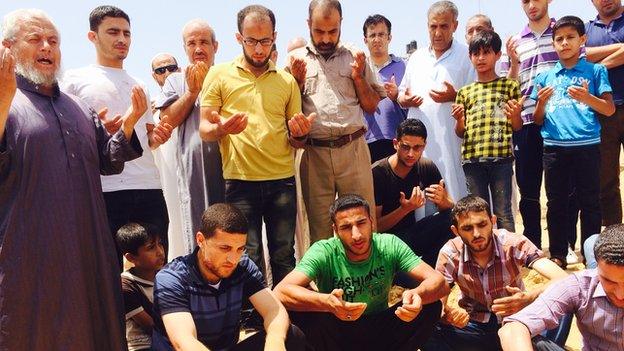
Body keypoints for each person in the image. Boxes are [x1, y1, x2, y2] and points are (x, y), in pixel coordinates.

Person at [0, 9, 143, 350]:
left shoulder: (78, 106)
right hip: (31, 252)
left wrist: (129, 123)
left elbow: (108, 160)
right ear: (8, 48)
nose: (47, 47)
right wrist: (4, 97)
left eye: (54, 41)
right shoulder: (7, 104)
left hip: (89, 245)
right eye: (35, 39)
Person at [199, 5, 312, 285]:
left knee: (284, 253)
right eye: (251, 41)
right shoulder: (219, 75)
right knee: (245, 255)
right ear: (239, 38)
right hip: (239, 181)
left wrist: (300, 134)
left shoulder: (287, 81)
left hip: (281, 180)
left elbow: (295, 138)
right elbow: (204, 129)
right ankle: (253, 317)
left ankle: (290, 313)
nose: (259, 49)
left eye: (265, 41)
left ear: (274, 37)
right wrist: (221, 128)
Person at [62, 5, 172, 263]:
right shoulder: (74, 80)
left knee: (158, 267)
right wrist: (95, 130)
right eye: (113, 32)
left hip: (148, 186)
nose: (122, 39)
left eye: (127, 33)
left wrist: (158, 138)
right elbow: (67, 137)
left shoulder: (139, 83)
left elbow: (147, 140)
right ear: (93, 36)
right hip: (105, 189)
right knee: (107, 267)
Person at [274, 194, 449, 351]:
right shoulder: (324, 251)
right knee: (301, 312)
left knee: (430, 305)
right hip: (338, 331)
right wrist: (326, 302)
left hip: (381, 327)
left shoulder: (388, 244)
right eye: (346, 227)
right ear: (335, 231)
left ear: (371, 222)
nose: (356, 235)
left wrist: (417, 295)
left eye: (361, 223)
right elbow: (281, 291)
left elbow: (439, 283)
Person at [287, 0, 385, 241]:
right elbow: (288, 114)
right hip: (314, 154)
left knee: (363, 223)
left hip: (353, 150)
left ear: (341, 24)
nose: (326, 39)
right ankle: (327, 280)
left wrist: (358, 77)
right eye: (319, 31)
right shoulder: (294, 60)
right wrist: (297, 83)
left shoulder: (356, 56)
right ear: (309, 24)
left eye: (333, 31)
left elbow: (372, 105)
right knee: (320, 230)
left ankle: (370, 279)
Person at [423, 195, 567, 351]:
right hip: (474, 325)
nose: (476, 234)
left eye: (482, 224)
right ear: (456, 231)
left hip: (518, 320)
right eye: (467, 228)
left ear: (492, 221)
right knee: (425, 328)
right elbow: (438, 299)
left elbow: (563, 279)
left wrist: (528, 298)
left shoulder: (513, 243)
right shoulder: (451, 253)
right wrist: (448, 315)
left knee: (566, 296)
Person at [152, 203, 305, 351]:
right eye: (225, 248)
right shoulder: (171, 278)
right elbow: (184, 342)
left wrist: (275, 343)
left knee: (291, 335)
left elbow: (274, 309)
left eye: (240, 249)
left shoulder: (242, 266)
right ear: (200, 240)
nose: (233, 259)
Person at [533, 16, 615, 269]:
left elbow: (609, 109)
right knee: (556, 202)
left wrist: (587, 98)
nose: (565, 43)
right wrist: (542, 103)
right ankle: (558, 253)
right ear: (553, 44)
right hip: (555, 149)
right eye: (559, 39)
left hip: (587, 147)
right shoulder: (545, 76)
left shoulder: (595, 70)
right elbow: (537, 120)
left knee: (590, 201)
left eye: (570, 37)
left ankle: (591, 254)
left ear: (583, 40)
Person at [155, 19, 225, 255]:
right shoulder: (175, 81)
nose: (198, 48)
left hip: (231, 171)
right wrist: (193, 91)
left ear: (216, 46)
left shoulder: (228, 75)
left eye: (204, 42)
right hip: (194, 173)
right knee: (199, 235)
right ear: (184, 48)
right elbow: (167, 120)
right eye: (191, 43)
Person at [499, 223, 624, 351]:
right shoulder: (581, 286)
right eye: (609, 281)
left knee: (591, 241)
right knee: (533, 342)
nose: (620, 294)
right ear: (597, 269)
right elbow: (513, 329)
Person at [398, 0, 474, 202]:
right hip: (419, 145)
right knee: (421, 198)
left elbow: (477, 97)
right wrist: (404, 99)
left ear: (455, 26)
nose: (438, 32)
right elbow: (401, 93)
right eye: (433, 26)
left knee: (455, 194)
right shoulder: (417, 58)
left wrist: (455, 96)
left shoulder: (466, 55)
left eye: (444, 26)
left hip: (452, 140)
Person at [451, 30, 523, 232]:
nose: (481, 58)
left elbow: (516, 127)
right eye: (476, 53)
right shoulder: (464, 92)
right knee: (478, 213)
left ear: (498, 55)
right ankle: (484, 258)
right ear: (470, 57)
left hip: (501, 159)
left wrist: (515, 114)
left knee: (503, 212)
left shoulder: (509, 86)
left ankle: (509, 258)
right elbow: (460, 132)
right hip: (473, 161)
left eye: (486, 52)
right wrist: (459, 119)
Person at [373, 118, 454, 266]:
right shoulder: (378, 173)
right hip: (386, 244)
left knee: (453, 217)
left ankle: (431, 269)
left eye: (417, 148)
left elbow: (449, 207)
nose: (411, 154)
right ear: (395, 144)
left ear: (424, 146)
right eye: (405, 147)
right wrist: (405, 209)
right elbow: (375, 228)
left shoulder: (426, 166)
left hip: (412, 235)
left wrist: (443, 201)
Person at [585, 0, 624, 227]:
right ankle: (615, 240)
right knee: (606, 181)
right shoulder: (587, 29)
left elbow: (591, 59)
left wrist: (599, 65)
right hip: (602, 112)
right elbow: (582, 55)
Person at [362, 14, 407, 162]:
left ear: (389, 37)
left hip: (398, 140)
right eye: (372, 35)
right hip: (365, 141)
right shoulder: (358, 70)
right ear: (365, 40)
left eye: (381, 34)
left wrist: (397, 95)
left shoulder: (405, 66)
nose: (377, 39)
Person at [117, 223, 166, 351]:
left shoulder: (165, 276)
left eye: (160, 244)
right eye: (151, 248)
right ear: (131, 257)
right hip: (142, 346)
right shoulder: (126, 285)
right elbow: (150, 327)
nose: (160, 252)